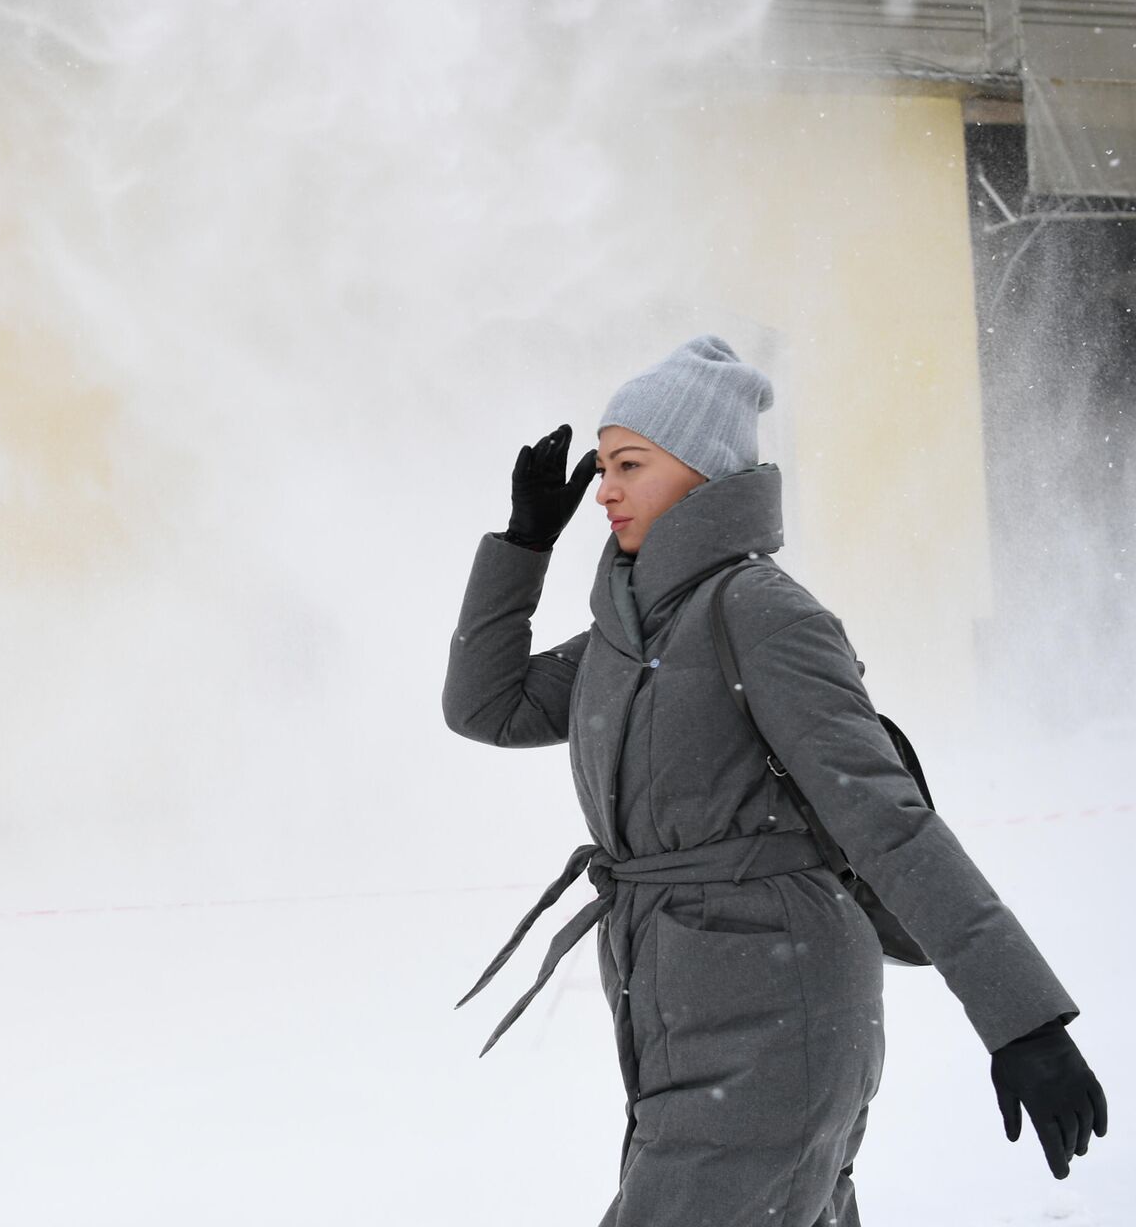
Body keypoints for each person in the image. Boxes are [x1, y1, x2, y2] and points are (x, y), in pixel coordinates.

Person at [441, 335, 1107, 1225]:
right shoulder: (627, 634)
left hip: (777, 1015)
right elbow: (486, 706)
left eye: (629, 464)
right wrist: (524, 546)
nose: (603, 489)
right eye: (603, 466)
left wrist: (1023, 1019)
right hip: (676, 1012)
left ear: (703, 472)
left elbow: (889, 823)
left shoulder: (759, 612)